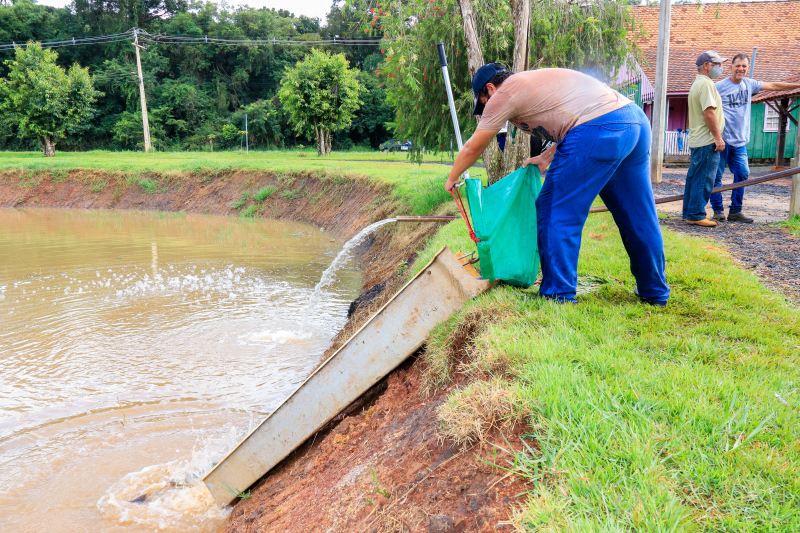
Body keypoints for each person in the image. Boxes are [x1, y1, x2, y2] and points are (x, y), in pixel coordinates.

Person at [444, 63, 670, 306]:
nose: (486, 107)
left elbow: (473, 147)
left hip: (601, 126)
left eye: (483, 100)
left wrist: (452, 177)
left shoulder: (505, 92)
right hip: (633, 120)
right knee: (638, 214)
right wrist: (545, 158)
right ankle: (654, 291)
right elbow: (574, 119)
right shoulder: (534, 84)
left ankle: (557, 294)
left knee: (556, 208)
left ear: (490, 88)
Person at [709, 53, 800, 223]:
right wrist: (715, 136)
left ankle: (735, 211)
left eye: (744, 66)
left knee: (743, 174)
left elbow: (773, 85)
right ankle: (717, 211)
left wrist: (797, 85)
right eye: (738, 66)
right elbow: (708, 110)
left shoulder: (750, 85)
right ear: (731, 68)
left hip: (740, 141)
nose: (741, 69)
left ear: (748, 69)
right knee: (716, 176)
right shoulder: (719, 87)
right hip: (722, 139)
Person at [682, 51, 727, 227]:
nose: (720, 68)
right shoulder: (707, 85)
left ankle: (689, 212)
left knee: (694, 178)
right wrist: (718, 137)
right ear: (707, 66)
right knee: (705, 178)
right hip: (707, 140)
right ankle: (696, 214)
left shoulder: (697, 84)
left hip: (697, 139)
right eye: (717, 64)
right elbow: (709, 113)